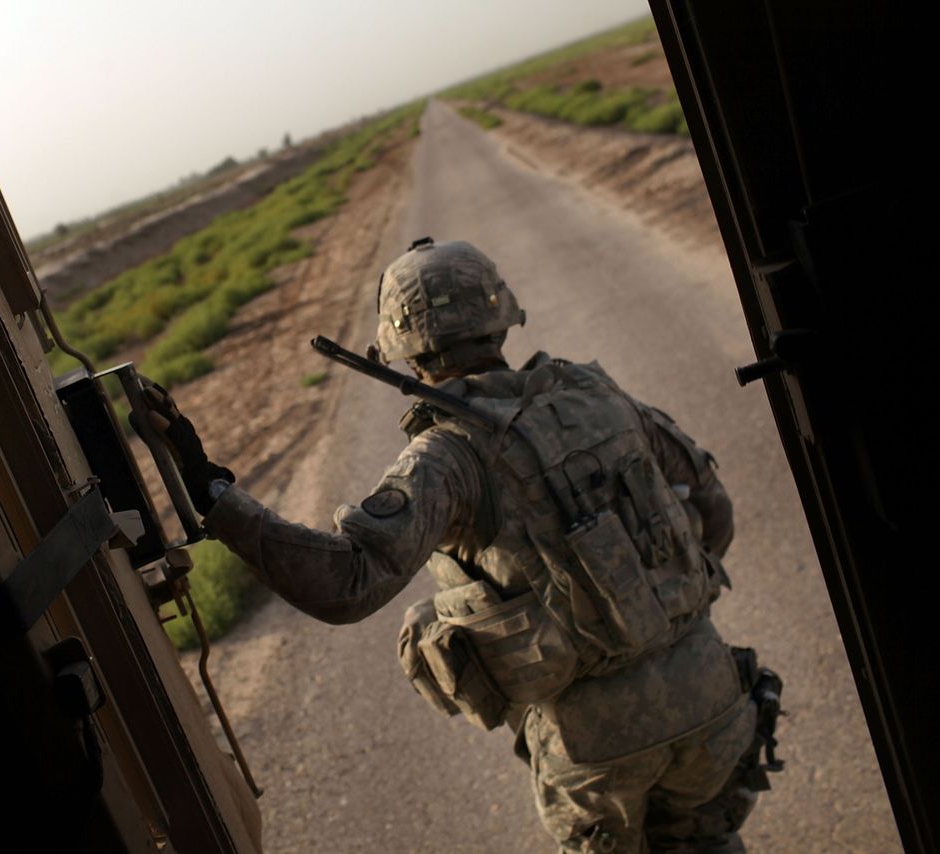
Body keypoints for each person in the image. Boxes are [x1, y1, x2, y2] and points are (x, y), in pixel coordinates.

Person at [139, 238, 777, 852]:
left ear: (403, 352)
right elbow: (712, 506)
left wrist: (212, 491)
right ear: (500, 319)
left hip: (596, 746)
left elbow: (345, 585)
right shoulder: (597, 395)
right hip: (713, 694)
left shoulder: (448, 455)